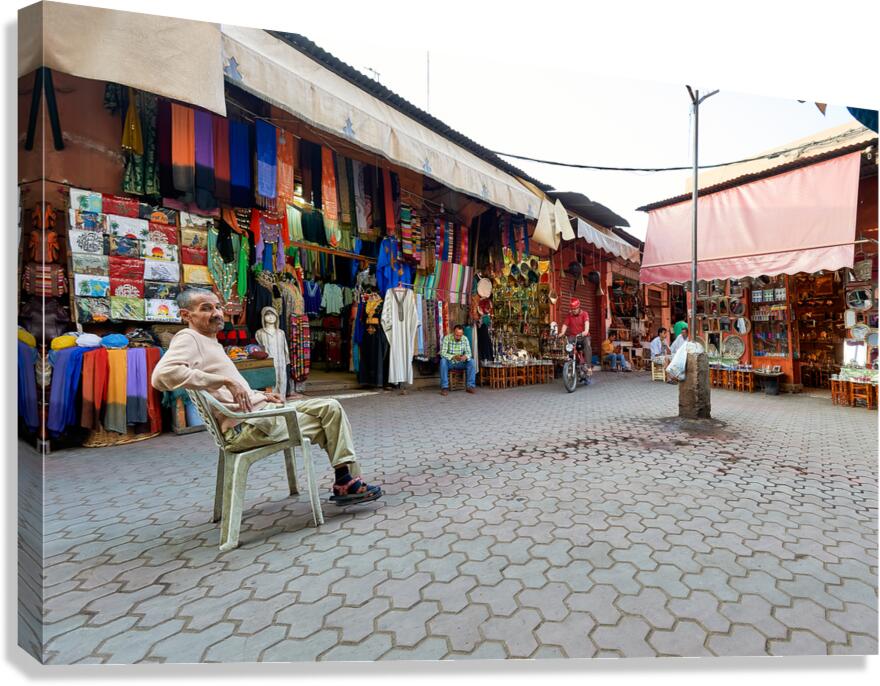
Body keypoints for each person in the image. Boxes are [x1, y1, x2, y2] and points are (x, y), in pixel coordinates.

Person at [151, 287, 382, 506]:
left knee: (331, 408)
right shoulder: (188, 338)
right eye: (206, 308)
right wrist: (225, 381)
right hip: (246, 427)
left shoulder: (209, 341)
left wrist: (260, 394)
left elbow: (228, 391)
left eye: (218, 307)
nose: (216, 313)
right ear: (185, 315)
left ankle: (345, 480)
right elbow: (161, 376)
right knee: (330, 422)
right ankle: (346, 481)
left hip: (257, 416)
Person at [558, 298, 592, 384]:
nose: (573, 311)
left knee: (587, 345)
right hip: (573, 336)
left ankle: (588, 367)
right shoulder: (570, 315)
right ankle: (569, 360)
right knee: (567, 344)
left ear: (578, 307)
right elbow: (565, 324)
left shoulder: (585, 314)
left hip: (583, 336)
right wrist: (562, 332)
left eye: (575, 309)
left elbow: (587, 323)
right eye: (572, 309)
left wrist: (585, 331)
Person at [439, 324, 476, 396]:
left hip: (461, 363)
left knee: (471, 361)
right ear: (453, 332)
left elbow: (469, 353)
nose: (458, 337)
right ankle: (444, 387)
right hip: (450, 363)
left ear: (462, 334)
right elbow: (442, 353)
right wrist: (453, 357)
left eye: (460, 335)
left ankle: (470, 386)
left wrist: (465, 356)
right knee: (442, 361)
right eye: (457, 335)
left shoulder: (465, 339)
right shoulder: (447, 338)